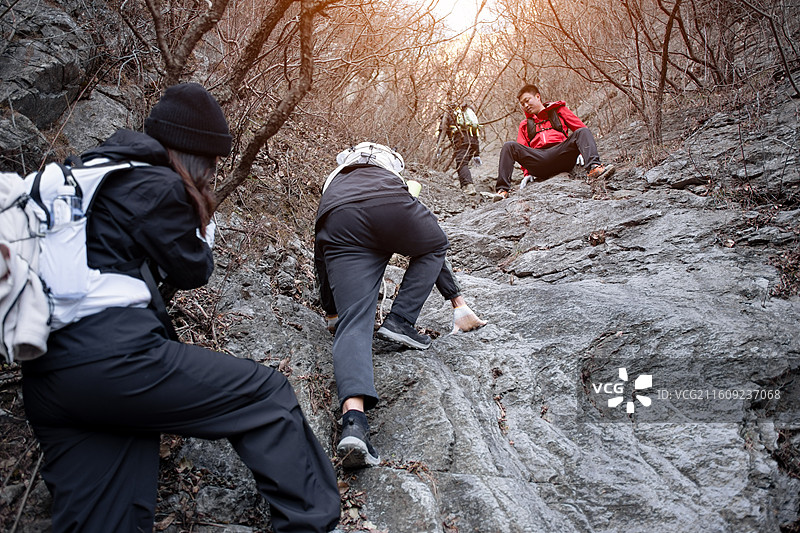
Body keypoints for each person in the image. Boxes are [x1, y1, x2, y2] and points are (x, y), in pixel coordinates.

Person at [21, 83, 340, 533]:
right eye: (209, 161)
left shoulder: (87, 175)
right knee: (267, 397)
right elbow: (193, 269)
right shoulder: (156, 183)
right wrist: (202, 223)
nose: (211, 172)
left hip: (49, 379)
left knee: (106, 517)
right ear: (192, 153)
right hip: (117, 362)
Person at [314, 142, 485, 469]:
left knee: (354, 325)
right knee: (435, 243)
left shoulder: (337, 177)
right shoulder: (388, 172)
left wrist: (333, 311)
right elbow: (433, 245)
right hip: (389, 205)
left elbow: (321, 259)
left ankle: (354, 423)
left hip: (337, 218)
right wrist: (456, 301)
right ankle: (400, 322)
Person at [494, 83, 615, 199]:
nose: (525, 105)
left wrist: (581, 152)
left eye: (527, 100)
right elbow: (522, 147)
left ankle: (594, 167)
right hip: (539, 160)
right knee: (509, 146)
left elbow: (580, 129)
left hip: (562, 154)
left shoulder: (559, 110)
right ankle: (502, 190)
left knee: (582, 131)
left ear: (537, 96)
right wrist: (527, 173)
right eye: (522, 104)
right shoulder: (524, 125)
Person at [437, 100, 482, 195]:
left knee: (461, 164)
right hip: (473, 141)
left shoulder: (448, 115)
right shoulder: (467, 115)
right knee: (461, 163)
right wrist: (477, 153)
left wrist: (438, 147)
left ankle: (469, 187)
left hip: (461, 140)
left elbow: (442, 131)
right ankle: (464, 187)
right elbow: (475, 132)